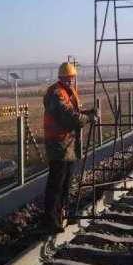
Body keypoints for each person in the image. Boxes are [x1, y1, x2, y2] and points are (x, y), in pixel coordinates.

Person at [42, 62, 96, 232]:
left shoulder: (66, 92)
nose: (71, 80)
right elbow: (69, 116)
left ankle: (62, 215)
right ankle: (51, 220)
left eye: (72, 78)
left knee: (66, 183)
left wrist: (87, 113)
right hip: (58, 144)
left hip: (68, 144)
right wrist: (88, 118)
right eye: (69, 78)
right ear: (62, 78)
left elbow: (73, 113)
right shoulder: (57, 94)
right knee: (57, 183)